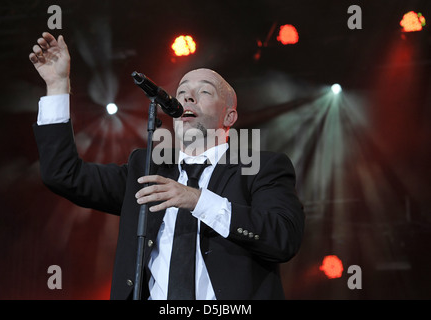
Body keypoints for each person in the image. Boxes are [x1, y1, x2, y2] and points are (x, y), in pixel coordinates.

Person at [29, 32, 305, 300]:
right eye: (182, 91)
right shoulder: (147, 169)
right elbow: (64, 175)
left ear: (229, 115)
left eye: (204, 92)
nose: (187, 97)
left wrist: (198, 200)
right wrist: (56, 86)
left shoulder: (260, 167)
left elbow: (283, 238)